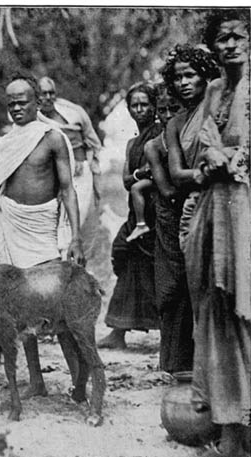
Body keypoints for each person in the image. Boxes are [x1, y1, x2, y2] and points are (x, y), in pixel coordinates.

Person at [0, 69, 85, 397]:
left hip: (43, 229)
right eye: (11, 104)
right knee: (21, 310)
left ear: (37, 103)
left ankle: (79, 382)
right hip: (11, 226)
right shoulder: (4, 144)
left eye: (23, 102)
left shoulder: (52, 137)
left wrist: (76, 236)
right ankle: (36, 381)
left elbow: (67, 189)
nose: (17, 108)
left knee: (59, 307)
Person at [184, 10, 251, 457]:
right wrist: (216, 155)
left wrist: (232, 157)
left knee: (250, 309)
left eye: (238, 36)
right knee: (217, 311)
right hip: (216, 209)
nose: (229, 45)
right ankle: (231, 437)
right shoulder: (213, 90)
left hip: (249, 209)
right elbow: (201, 141)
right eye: (221, 38)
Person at [155, 46, 220, 373]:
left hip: (225, 199)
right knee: (194, 284)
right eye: (177, 77)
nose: (183, 83)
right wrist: (203, 172)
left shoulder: (219, 108)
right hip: (193, 206)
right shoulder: (176, 123)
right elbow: (177, 172)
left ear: (206, 75)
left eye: (190, 75)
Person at [97, 83, 161, 350]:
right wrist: (139, 174)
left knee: (156, 270)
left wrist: (139, 176)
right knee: (123, 255)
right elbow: (126, 180)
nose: (139, 109)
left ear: (154, 106)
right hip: (137, 214)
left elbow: (156, 174)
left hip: (158, 211)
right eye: (134, 105)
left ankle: (169, 332)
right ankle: (118, 330)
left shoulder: (160, 134)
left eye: (144, 104)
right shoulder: (133, 143)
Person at [144, 83, 192, 373]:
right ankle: (173, 361)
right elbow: (166, 187)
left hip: (189, 209)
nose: (166, 114)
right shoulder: (154, 146)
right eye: (161, 109)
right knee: (172, 286)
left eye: (173, 108)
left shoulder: (191, 136)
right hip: (170, 215)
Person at [37, 76, 103, 233]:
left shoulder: (73, 112)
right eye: (43, 93)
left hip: (80, 173)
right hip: (51, 176)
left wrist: (85, 160)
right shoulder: (34, 118)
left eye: (51, 93)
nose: (48, 98)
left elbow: (92, 141)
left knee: (78, 215)